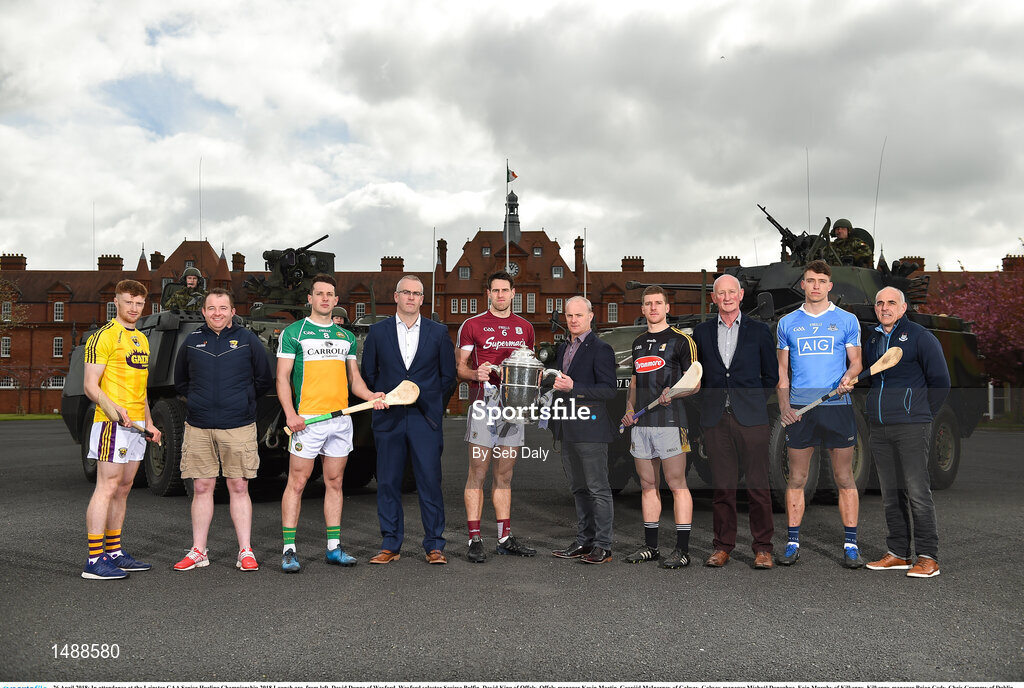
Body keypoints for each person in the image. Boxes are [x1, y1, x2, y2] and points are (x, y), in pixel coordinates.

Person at [276, 273, 386, 573]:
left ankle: (333, 548)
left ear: (336, 301)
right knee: (297, 483)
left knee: (335, 483)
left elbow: (354, 380)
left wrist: (371, 395)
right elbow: (282, 378)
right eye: (319, 293)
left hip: (340, 420)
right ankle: (288, 550)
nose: (325, 298)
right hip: (307, 420)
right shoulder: (294, 333)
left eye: (330, 294)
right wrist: (290, 414)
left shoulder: (346, 337)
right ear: (309, 299)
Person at [171, 288, 274, 572]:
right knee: (202, 487)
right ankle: (198, 551)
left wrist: (244, 399)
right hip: (199, 426)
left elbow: (264, 378)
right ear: (203, 311)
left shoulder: (248, 340)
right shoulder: (191, 341)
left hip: (238, 425)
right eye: (211, 308)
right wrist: (196, 400)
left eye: (223, 308)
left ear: (232, 311)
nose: (217, 313)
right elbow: (180, 381)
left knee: (239, 486)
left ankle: (245, 551)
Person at [361, 275, 456, 565]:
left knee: (429, 480)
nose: (411, 297)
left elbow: (448, 377)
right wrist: (382, 398)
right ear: (396, 296)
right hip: (388, 417)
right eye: (406, 292)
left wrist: (433, 407)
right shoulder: (377, 332)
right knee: (388, 481)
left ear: (422, 299)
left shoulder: (438, 332)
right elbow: (368, 374)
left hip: (424, 418)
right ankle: (390, 544)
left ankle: (434, 545)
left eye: (416, 293)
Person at [777, 259, 864, 568]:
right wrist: (785, 407)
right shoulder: (787, 323)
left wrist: (847, 378)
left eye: (820, 281)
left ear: (830, 286)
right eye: (810, 280)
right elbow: (782, 375)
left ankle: (851, 545)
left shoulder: (847, 320)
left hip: (837, 409)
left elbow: (856, 362)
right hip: (802, 411)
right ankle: (792, 542)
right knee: (797, 477)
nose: (815, 286)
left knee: (844, 477)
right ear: (803, 284)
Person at [692, 274, 778, 570]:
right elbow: (695, 378)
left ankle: (763, 548)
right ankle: (723, 546)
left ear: (741, 295)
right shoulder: (701, 333)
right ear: (713, 298)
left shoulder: (759, 331)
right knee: (723, 487)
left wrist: (752, 401)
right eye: (720, 293)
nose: (726, 297)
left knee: (757, 485)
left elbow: (771, 376)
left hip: (751, 419)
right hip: (716, 419)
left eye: (732, 292)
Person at [863, 287, 949, 578]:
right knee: (890, 493)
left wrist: (921, 413)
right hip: (879, 425)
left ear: (903, 307)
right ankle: (898, 553)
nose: (884, 307)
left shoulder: (921, 337)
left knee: (917, 493)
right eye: (879, 303)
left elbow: (941, 381)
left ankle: (928, 557)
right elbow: (871, 376)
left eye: (891, 303)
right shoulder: (873, 339)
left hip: (912, 425)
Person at [81, 279, 162, 580]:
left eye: (139, 303)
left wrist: (150, 422)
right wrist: (116, 411)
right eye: (128, 302)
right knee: (107, 486)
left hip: (137, 426)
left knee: (125, 487)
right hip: (110, 423)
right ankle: (93, 560)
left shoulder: (142, 338)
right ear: (116, 302)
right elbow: (90, 386)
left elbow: (141, 390)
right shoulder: (103, 337)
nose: (134, 308)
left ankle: (114, 552)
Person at [456, 270, 536, 562]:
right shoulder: (472, 324)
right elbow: (460, 368)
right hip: (483, 405)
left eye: (505, 290)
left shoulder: (525, 328)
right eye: (495, 290)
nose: (500, 295)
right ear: (488, 293)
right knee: (477, 471)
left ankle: (504, 537)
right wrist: (473, 373)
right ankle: (474, 538)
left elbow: (530, 371)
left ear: (514, 293)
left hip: (513, 409)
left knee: (505, 474)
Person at [620, 286, 700, 569]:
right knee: (647, 485)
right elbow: (633, 382)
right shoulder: (638, 342)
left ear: (667, 307)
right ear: (642, 309)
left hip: (670, 423)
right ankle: (651, 547)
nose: (653, 308)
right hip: (642, 424)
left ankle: (682, 550)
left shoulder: (682, 341)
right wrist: (629, 410)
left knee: (677, 485)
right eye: (647, 304)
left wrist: (674, 393)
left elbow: (695, 382)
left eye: (658, 303)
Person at [549, 296, 617, 564]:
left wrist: (573, 388)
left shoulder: (601, 348)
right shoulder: (563, 349)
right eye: (569, 315)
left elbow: (609, 390)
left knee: (597, 488)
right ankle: (584, 541)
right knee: (578, 488)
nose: (573, 320)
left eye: (579, 315)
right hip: (567, 427)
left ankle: (603, 545)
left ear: (590, 316)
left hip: (591, 429)